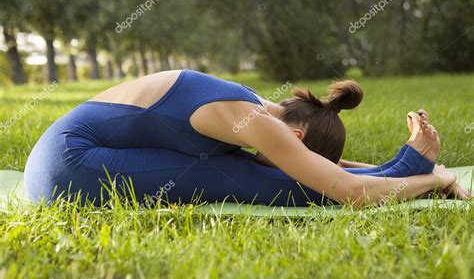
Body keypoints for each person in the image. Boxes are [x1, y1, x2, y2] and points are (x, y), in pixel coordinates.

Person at [24, 70, 463, 207]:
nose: (292, 157)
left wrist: (395, 166)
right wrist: (421, 175)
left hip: (56, 159)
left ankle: (408, 171)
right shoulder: (253, 121)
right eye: (295, 152)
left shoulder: (255, 106)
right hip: (69, 171)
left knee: (291, 177)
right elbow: (345, 190)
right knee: (266, 182)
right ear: (294, 135)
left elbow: (327, 170)